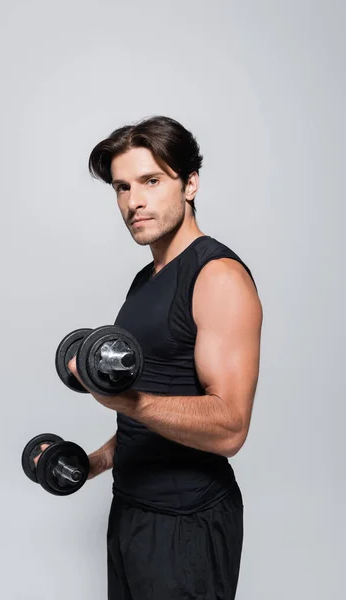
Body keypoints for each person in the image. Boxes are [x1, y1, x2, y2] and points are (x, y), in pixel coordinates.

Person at [68, 115, 263, 599]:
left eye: (151, 181)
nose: (133, 201)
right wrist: (94, 462)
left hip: (187, 525)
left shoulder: (217, 276)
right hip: (131, 512)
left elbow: (230, 426)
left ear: (190, 183)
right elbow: (160, 398)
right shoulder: (146, 280)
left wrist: (122, 400)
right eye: (121, 187)